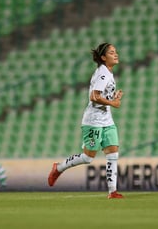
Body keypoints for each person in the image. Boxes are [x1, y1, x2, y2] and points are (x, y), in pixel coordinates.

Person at [48, 42, 124, 199]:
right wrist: (113, 103)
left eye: (115, 51)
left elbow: (101, 95)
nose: (116, 54)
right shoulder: (103, 73)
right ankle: (59, 167)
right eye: (111, 52)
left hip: (107, 120)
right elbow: (94, 97)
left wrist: (113, 97)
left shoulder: (108, 73)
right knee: (88, 157)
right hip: (93, 121)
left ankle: (113, 192)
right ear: (103, 57)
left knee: (113, 154)